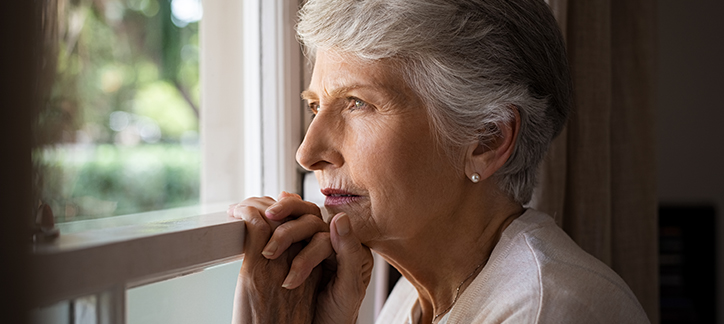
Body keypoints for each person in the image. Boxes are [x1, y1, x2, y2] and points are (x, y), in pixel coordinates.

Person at [228, 0, 651, 323]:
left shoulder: (547, 310)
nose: (307, 153)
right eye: (315, 105)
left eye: (357, 103)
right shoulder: (410, 298)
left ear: (487, 140)